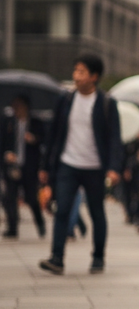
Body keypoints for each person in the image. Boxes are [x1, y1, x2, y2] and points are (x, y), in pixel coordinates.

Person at [39, 53, 123, 275]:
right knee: (62, 210)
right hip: (68, 164)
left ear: (94, 76)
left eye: (81, 72)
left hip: (95, 167)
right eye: (75, 71)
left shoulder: (106, 103)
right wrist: (46, 167)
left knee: (97, 213)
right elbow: (54, 135)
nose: (76, 76)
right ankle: (57, 258)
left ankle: (98, 257)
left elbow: (115, 138)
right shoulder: (65, 100)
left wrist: (114, 168)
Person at [2, 94, 46, 238]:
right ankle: (12, 228)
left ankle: (40, 223)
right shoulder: (8, 123)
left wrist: (33, 139)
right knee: (10, 197)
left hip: (29, 167)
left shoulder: (35, 123)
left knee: (31, 198)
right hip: (12, 166)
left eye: (19, 106)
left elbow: (45, 140)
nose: (16, 109)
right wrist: (7, 154)